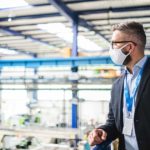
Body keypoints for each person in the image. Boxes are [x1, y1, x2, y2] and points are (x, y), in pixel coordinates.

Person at [88, 21, 150, 150]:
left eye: (115, 44)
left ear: (129, 47)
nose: (112, 49)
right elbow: (114, 122)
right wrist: (102, 130)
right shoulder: (117, 85)